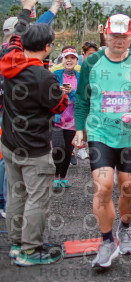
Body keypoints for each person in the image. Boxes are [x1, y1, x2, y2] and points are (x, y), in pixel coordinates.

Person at [72, 14, 131, 269]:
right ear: (105, 35)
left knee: (128, 188)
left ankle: (125, 228)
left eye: (123, 36)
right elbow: (82, 99)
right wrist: (79, 130)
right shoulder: (92, 62)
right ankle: (107, 241)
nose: (118, 41)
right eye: (114, 36)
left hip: (129, 136)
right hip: (100, 134)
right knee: (103, 187)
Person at [1, 24, 68, 266]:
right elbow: (59, 105)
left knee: (16, 193)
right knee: (37, 198)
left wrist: (26, 12)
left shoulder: (9, 63)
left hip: (10, 143)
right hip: (34, 147)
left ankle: (17, 243)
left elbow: (13, 43)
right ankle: (30, 250)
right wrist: (62, 92)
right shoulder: (43, 76)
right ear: (48, 47)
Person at [51, 47, 80, 191]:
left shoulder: (80, 77)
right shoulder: (55, 75)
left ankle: (63, 176)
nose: (69, 60)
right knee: (58, 147)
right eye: (66, 58)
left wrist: (72, 92)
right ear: (62, 60)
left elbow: (83, 98)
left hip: (73, 120)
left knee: (68, 150)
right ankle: (55, 175)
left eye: (72, 58)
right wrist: (59, 91)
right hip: (57, 119)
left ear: (76, 61)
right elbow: (48, 93)